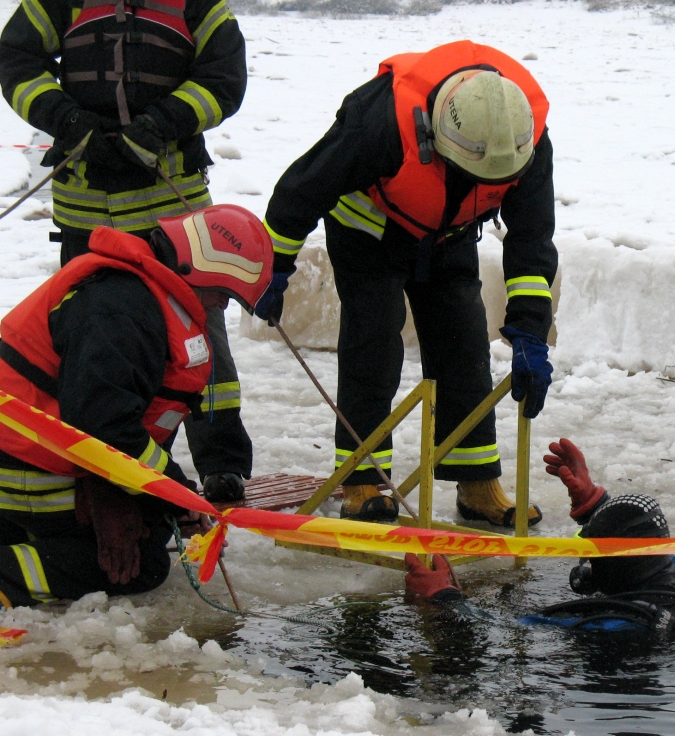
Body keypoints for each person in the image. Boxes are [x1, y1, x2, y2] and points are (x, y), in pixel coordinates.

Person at [259, 41, 555, 527]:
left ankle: (477, 482)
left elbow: (531, 239)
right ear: (435, 137)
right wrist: (272, 267)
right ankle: (363, 480)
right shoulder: (377, 122)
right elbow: (299, 190)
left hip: (449, 233)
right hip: (368, 229)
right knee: (373, 339)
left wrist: (530, 331)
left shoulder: (523, 138)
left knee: (463, 342)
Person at [0, 0, 254, 503]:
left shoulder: (198, 5)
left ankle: (222, 464)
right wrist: (69, 121)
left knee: (202, 340)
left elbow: (224, 79)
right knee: (89, 344)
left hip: (171, 205)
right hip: (84, 208)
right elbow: (15, 61)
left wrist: (160, 125)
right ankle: (93, 459)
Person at [0, 204, 272, 607]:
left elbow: (111, 420)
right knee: (141, 563)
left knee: (154, 522)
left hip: (41, 459)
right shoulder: (122, 310)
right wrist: (172, 494)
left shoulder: (140, 296)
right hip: (21, 469)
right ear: (196, 271)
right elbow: (102, 428)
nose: (222, 306)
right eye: (224, 293)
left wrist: (170, 499)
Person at [404, 439, 675, 634]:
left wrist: (444, 596)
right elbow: (633, 545)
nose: (584, 565)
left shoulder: (617, 624)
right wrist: (594, 503)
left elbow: (506, 627)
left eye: (592, 553)